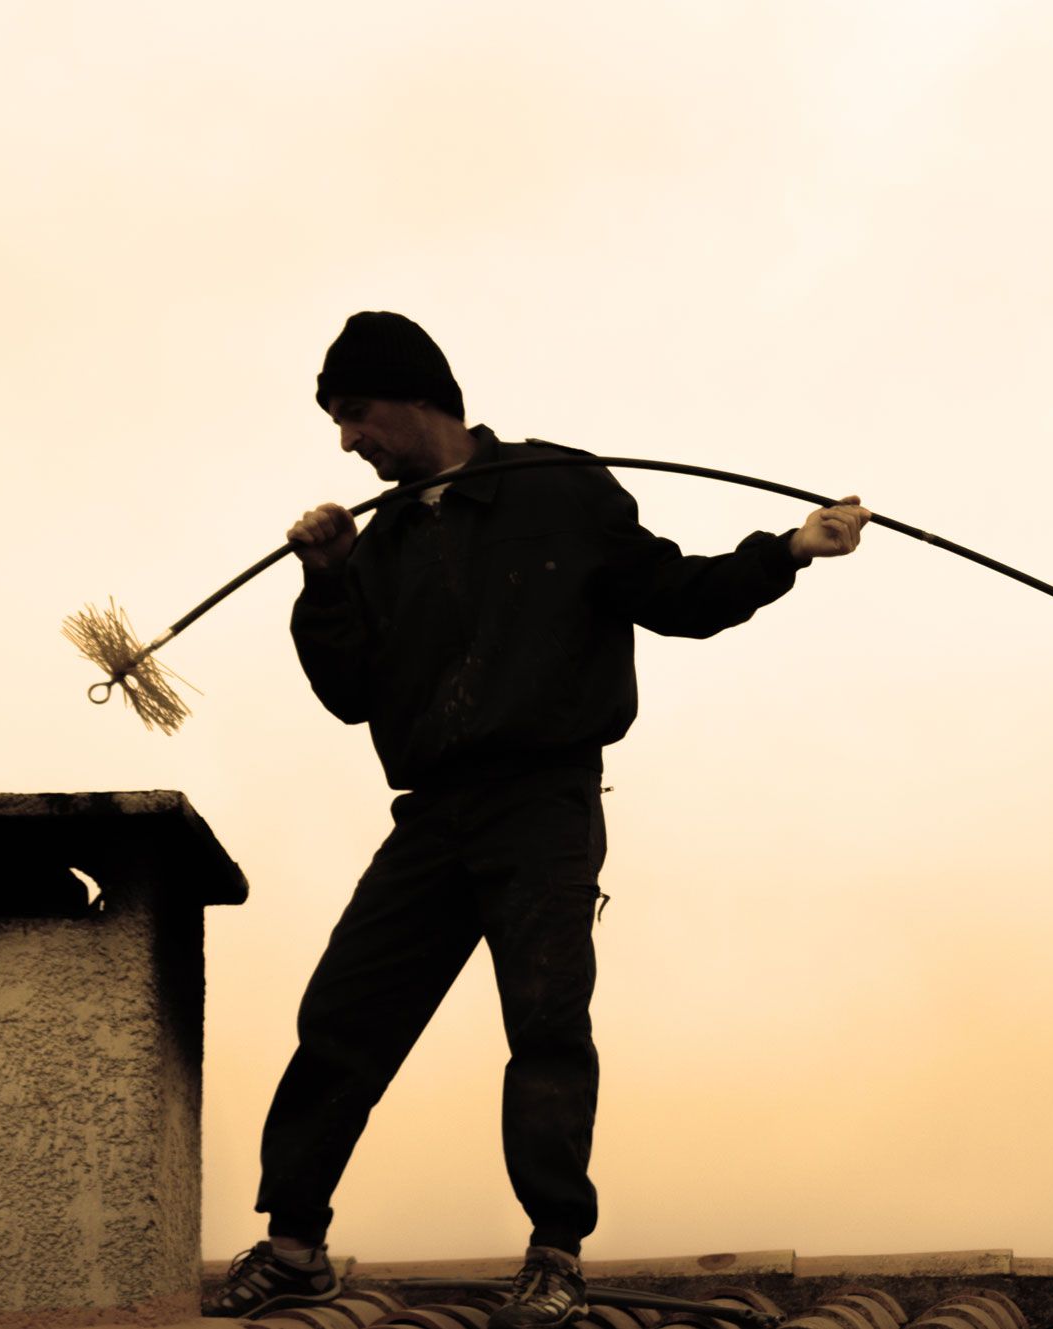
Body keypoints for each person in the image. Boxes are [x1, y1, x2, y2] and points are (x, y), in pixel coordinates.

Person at [204, 312, 871, 1327]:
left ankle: (554, 1257)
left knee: (548, 1025)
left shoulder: (557, 489)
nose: (346, 442)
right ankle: (294, 1247)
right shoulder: (376, 550)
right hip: (434, 815)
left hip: (547, 803)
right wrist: (327, 578)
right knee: (343, 1016)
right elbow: (348, 692)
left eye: (354, 414)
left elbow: (675, 593)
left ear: (416, 397)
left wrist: (792, 548)